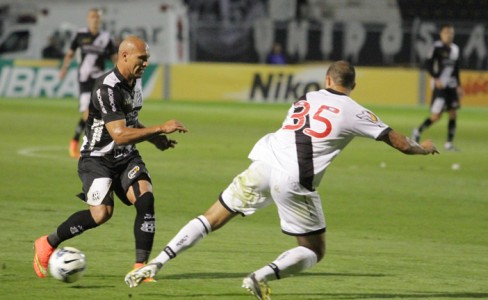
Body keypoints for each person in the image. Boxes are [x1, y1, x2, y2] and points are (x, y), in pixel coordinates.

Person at [125, 60, 438, 299]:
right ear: (353, 86)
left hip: (264, 162)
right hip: (294, 177)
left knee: (212, 217)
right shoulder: (355, 110)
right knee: (314, 249)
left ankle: (157, 262)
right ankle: (260, 277)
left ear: (327, 80)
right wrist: (422, 149)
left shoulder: (305, 97)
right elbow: (397, 141)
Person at [33, 36, 188, 280]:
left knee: (146, 199)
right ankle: (47, 241)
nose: (146, 64)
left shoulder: (134, 82)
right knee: (102, 214)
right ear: (124, 56)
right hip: (97, 159)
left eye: (147, 59)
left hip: (126, 157)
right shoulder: (106, 87)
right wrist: (160, 128)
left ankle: (141, 269)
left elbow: (131, 121)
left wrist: (154, 139)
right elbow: (119, 133)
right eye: (142, 59)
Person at [59, 8, 118, 158]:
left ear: (101, 20)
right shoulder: (80, 35)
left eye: (97, 17)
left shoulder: (105, 37)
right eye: (92, 17)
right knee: (88, 113)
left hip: (99, 80)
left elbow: (114, 57)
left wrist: (119, 73)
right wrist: (64, 68)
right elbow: (71, 52)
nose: (95, 20)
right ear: (88, 19)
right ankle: (75, 142)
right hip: (85, 80)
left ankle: (93, 143)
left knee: (98, 113)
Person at [412, 23, 464, 151]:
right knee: (436, 116)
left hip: (451, 86)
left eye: (451, 33)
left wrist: (459, 85)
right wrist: (436, 78)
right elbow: (428, 64)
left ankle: (449, 143)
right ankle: (417, 131)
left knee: (453, 113)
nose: (449, 35)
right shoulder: (436, 47)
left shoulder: (455, 49)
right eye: (446, 32)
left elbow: (456, 69)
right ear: (441, 34)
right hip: (440, 86)